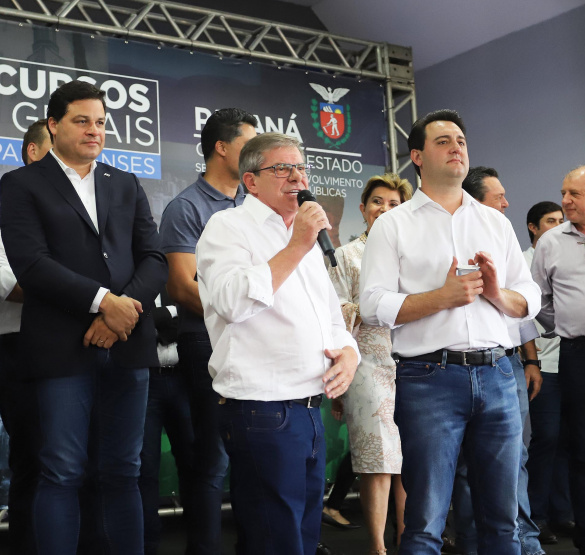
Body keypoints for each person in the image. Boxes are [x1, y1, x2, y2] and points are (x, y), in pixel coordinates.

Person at [360, 109, 541, 555]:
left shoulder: (495, 222)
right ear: (417, 156)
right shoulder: (393, 224)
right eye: (443, 141)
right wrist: (442, 297)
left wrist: (497, 294)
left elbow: (529, 298)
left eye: (460, 139)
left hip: (500, 374)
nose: (456, 146)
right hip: (428, 380)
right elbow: (373, 304)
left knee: (504, 520)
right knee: (425, 522)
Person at [0, 80, 167, 554]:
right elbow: (31, 264)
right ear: (53, 125)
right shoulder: (22, 183)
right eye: (82, 121)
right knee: (62, 472)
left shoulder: (124, 182)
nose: (95, 131)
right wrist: (102, 302)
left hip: (129, 344)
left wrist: (123, 312)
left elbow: (154, 259)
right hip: (60, 350)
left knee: (123, 471)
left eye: (100, 123)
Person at [196, 132, 360, 554]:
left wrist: (349, 351)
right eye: (282, 168)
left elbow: (330, 315)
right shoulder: (228, 227)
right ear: (250, 181)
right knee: (275, 539)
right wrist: (298, 244)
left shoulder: (300, 233)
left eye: (301, 168)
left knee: (304, 537)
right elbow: (232, 301)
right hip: (262, 410)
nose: (296, 178)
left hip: (309, 408)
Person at [158, 107, 257, 553]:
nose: (256, 155)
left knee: (257, 460)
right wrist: (235, 312)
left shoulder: (257, 207)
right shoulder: (187, 207)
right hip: (207, 344)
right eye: (247, 145)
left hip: (259, 345)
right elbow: (180, 287)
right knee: (212, 462)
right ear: (221, 147)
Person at [453, 166, 544, 555]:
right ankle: (474, 544)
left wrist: (531, 358)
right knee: (468, 469)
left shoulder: (502, 235)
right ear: (475, 200)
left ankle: (525, 542)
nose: (506, 203)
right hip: (462, 368)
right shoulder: (457, 241)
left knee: (515, 461)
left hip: (507, 366)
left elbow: (518, 306)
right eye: (498, 197)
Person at [531, 165, 585, 555]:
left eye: (574, 194)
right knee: (584, 453)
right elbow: (538, 304)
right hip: (578, 355)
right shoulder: (550, 242)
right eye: (563, 192)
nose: (565, 200)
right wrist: (569, 322)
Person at [0, 118, 51, 553]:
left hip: (80, 349)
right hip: (21, 352)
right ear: (32, 153)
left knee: (78, 467)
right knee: (34, 466)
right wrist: (69, 297)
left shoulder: (85, 209)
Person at [327, 172, 412, 555]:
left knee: (412, 455)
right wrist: (374, 307)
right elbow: (332, 312)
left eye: (395, 204)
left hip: (413, 362)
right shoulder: (346, 256)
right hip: (365, 363)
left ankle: (408, 537)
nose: (385, 209)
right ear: (363, 209)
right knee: (377, 458)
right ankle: (377, 546)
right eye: (378, 202)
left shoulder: (413, 255)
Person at [522, 201, 573, 545]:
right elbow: (525, 317)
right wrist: (532, 361)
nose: (558, 225)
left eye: (561, 220)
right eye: (549, 221)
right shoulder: (524, 264)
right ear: (533, 227)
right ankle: (537, 516)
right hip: (542, 364)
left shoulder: (566, 258)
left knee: (568, 441)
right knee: (546, 439)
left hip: (572, 362)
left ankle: (561, 513)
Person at [138, 291, 193, 555]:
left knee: (194, 465)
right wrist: (165, 315)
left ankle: (199, 542)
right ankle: (148, 545)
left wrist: (163, 316)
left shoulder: (185, 269)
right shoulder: (137, 272)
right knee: (144, 470)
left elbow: (201, 310)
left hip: (186, 379)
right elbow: (131, 315)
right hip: (145, 379)